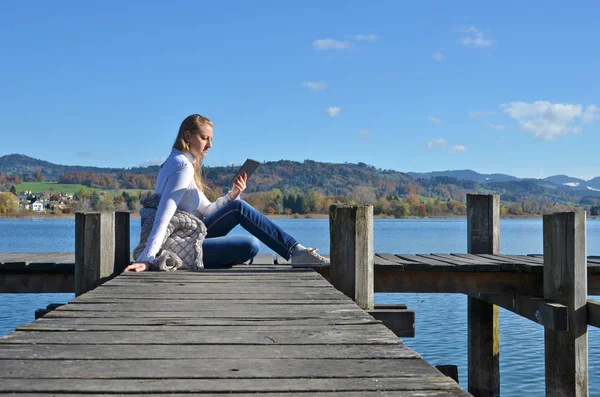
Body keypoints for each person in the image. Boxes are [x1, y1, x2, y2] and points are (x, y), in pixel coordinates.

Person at [124, 114, 329, 272]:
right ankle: (296, 252)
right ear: (188, 136)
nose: (210, 145)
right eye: (205, 138)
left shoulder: (181, 163)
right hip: (181, 246)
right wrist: (147, 259)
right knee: (249, 244)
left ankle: (296, 251)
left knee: (237, 209)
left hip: (191, 235)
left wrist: (231, 196)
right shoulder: (181, 167)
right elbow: (164, 216)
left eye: (211, 139)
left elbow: (206, 209)